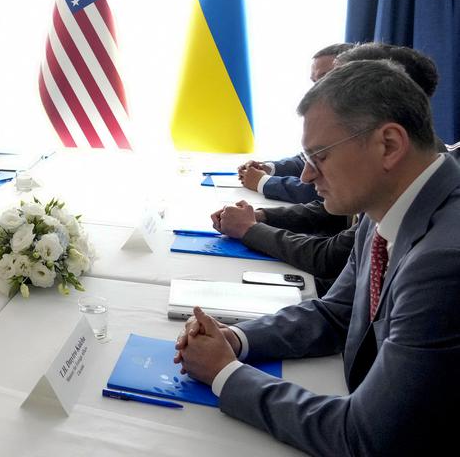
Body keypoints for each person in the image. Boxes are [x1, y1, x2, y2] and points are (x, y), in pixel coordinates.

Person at [176, 59, 460, 455]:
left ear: (389, 145)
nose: (307, 176)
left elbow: (362, 436)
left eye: (319, 156)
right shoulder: (391, 201)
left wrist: (226, 374)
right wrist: (237, 339)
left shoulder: (443, 262)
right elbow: (334, 313)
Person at [213, 44, 442, 294]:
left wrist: (251, 228)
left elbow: (329, 259)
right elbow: (339, 311)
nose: (307, 176)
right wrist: (238, 335)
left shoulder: (440, 254)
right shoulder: (382, 198)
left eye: (342, 86)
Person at [238, 42, 354, 203]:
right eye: (314, 82)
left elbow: (326, 189)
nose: (315, 89)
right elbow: (306, 160)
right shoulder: (329, 115)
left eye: (325, 78)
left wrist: (263, 182)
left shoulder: (356, 122)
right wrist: (270, 168)